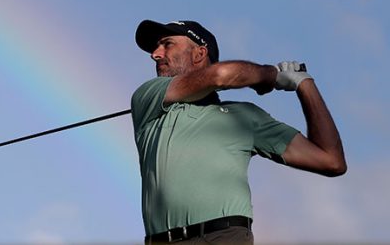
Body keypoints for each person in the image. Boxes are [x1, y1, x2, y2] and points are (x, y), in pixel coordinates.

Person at [131, 20, 346, 245]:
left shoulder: (245, 116)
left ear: (199, 53)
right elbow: (221, 75)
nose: (155, 54)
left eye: (167, 44)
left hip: (224, 237)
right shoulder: (148, 97)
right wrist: (269, 75)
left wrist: (305, 84)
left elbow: (331, 161)